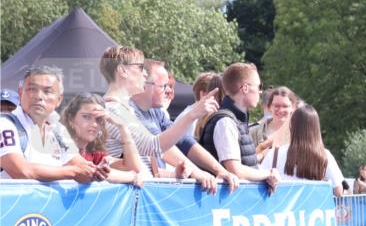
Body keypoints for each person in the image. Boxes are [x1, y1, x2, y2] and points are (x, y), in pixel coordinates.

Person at [100, 46, 220, 192]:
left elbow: (146, 161)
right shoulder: (114, 110)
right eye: (140, 67)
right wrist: (192, 115)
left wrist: (174, 174)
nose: (145, 74)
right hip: (129, 198)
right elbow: (154, 146)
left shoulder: (123, 109)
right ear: (122, 70)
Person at [132, 60, 239, 193]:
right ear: (144, 85)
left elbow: (182, 141)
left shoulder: (155, 111)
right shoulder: (129, 112)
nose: (168, 91)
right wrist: (197, 172)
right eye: (163, 86)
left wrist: (220, 170)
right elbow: (158, 145)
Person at [0, 66, 110, 183]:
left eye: (47, 91)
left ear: (59, 99)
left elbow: (79, 164)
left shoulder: (58, 130)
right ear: (21, 92)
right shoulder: (5, 124)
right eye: (32, 89)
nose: (39, 96)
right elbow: (22, 171)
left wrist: (96, 171)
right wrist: (73, 172)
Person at [199, 62, 279, 193]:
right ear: (245, 88)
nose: (260, 92)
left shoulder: (235, 120)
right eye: (259, 86)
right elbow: (235, 170)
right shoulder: (225, 122)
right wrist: (268, 174)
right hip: (224, 201)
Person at [61, 94, 143, 185]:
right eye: (86, 117)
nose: (94, 124)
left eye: (99, 119)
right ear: (71, 118)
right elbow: (91, 172)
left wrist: (122, 126)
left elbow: (133, 168)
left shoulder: (95, 153)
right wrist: (131, 177)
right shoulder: (61, 143)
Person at [261, 105, 344, 195]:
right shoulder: (324, 155)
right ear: (316, 128)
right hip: (313, 203)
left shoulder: (274, 154)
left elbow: (258, 182)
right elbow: (338, 192)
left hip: (281, 203)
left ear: (292, 126)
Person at [251, 86, 297, 161]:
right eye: (276, 106)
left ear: (293, 107)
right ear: (270, 107)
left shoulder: (301, 133)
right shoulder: (253, 133)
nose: (281, 110)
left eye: (285, 106)